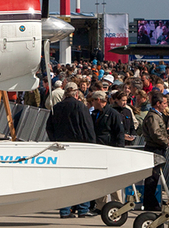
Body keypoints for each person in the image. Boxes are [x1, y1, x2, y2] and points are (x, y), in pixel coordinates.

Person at [46, 82, 96, 218]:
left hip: (61, 146)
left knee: (65, 179)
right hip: (80, 147)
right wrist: (92, 145)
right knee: (83, 178)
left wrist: (55, 139)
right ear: (76, 94)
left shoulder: (56, 107)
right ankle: (83, 208)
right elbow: (88, 127)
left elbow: (48, 127)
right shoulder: (80, 106)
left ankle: (64, 210)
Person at [89, 90, 126, 211]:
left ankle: (117, 204)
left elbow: (119, 132)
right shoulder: (94, 114)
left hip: (111, 150)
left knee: (114, 179)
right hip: (98, 151)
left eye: (93, 101)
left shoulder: (113, 114)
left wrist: (119, 150)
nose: (92, 103)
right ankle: (100, 205)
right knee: (100, 179)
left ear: (98, 100)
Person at [138, 90, 169, 211]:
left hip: (157, 148)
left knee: (155, 176)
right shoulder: (153, 116)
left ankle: (151, 201)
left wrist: (168, 134)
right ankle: (150, 202)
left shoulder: (157, 116)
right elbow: (155, 134)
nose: (166, 106)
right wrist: (166, 141)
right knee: (152, 177)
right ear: (158, 103)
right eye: (164, 103)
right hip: (154, 149)